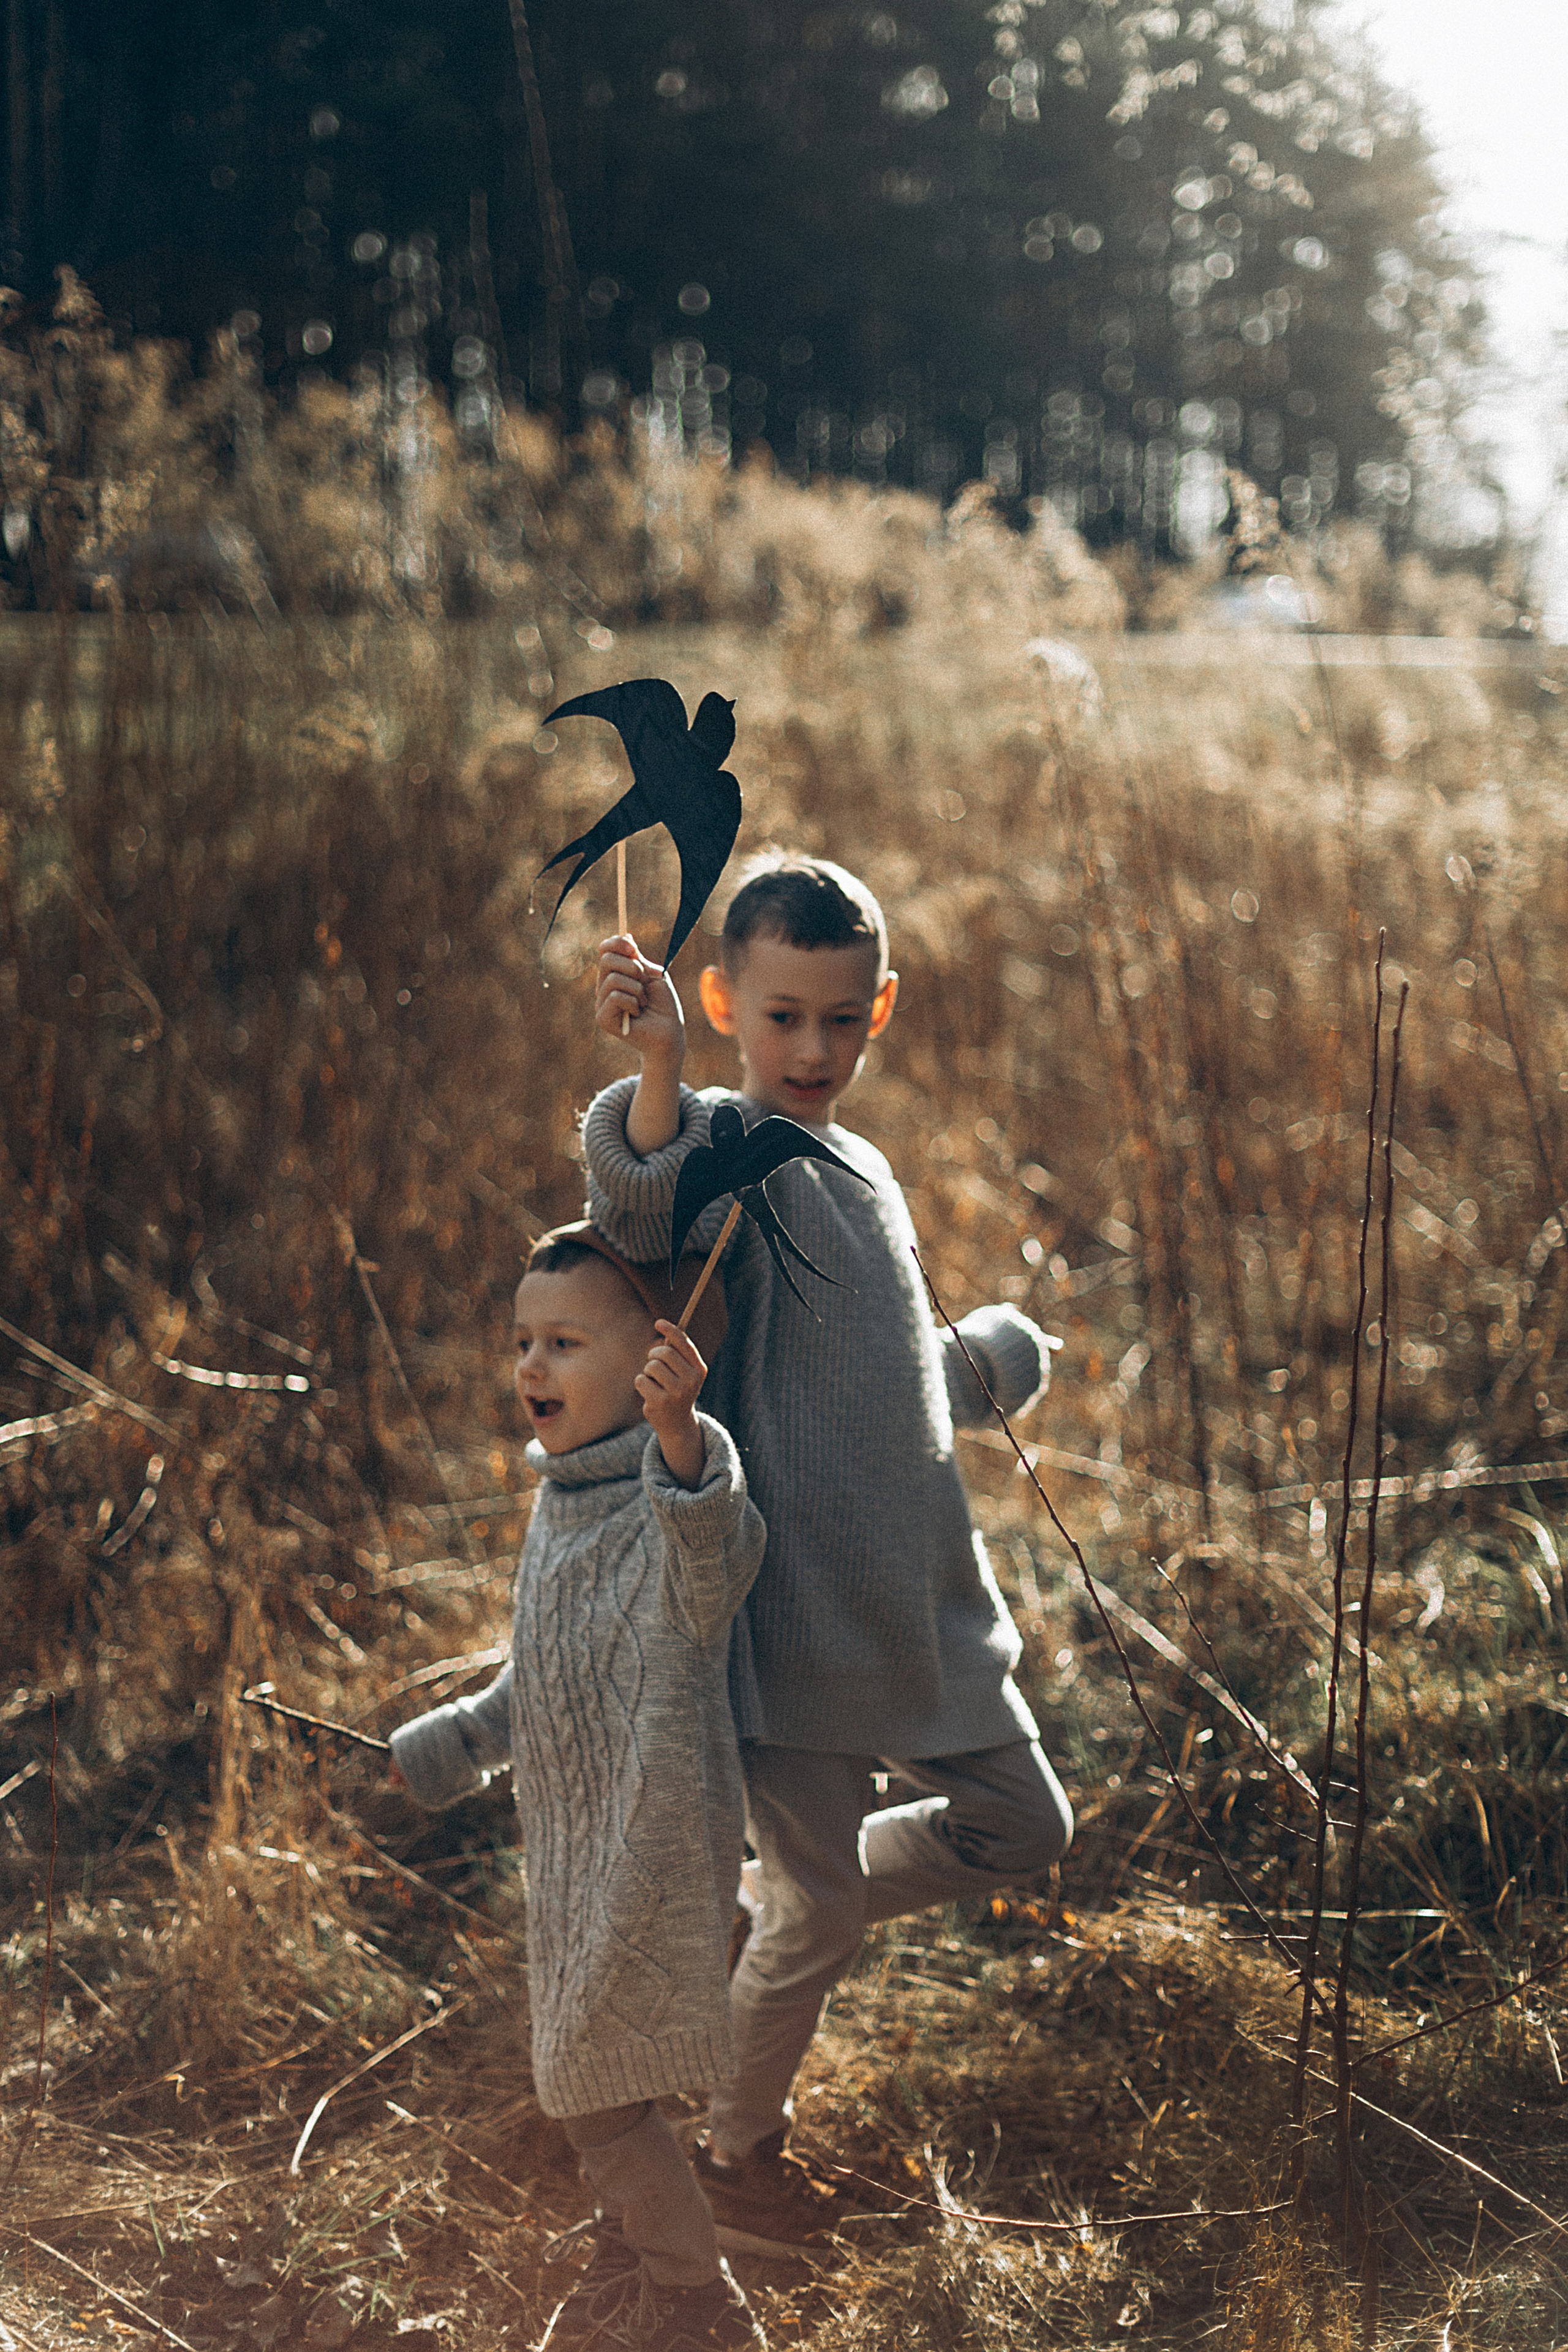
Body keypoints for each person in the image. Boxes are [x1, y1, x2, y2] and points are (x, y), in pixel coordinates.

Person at [586, 852, 1073, 2256]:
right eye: (782, 1015)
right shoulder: (725, 1159)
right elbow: (638, 1212)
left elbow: (864, 1373)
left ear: (881, 1009)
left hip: (919, 1620)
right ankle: (735, 2158)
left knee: (1022, 1827)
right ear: (734, 1001)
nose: (811, 1048)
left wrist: (972, 1363)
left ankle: (764, 1897)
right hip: (790, 1635)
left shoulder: (858, 1162)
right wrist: (659, 1063)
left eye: (840, 1018)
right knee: (824, 1921)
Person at [388, 1225, 767, 2350]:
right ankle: (636, 2249)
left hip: (651, 1838)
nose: (532, 1368)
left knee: (586, 2089)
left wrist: (681, 1433)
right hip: (572, 1850)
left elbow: (720, 1559)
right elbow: (549, 1668)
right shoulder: (561, 1501)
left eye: (564, 1342)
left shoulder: (669, 1487)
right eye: (522, 1342)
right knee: (601, 2076)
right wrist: (456, 1740)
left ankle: (695, 2302)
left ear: (652, 1357)